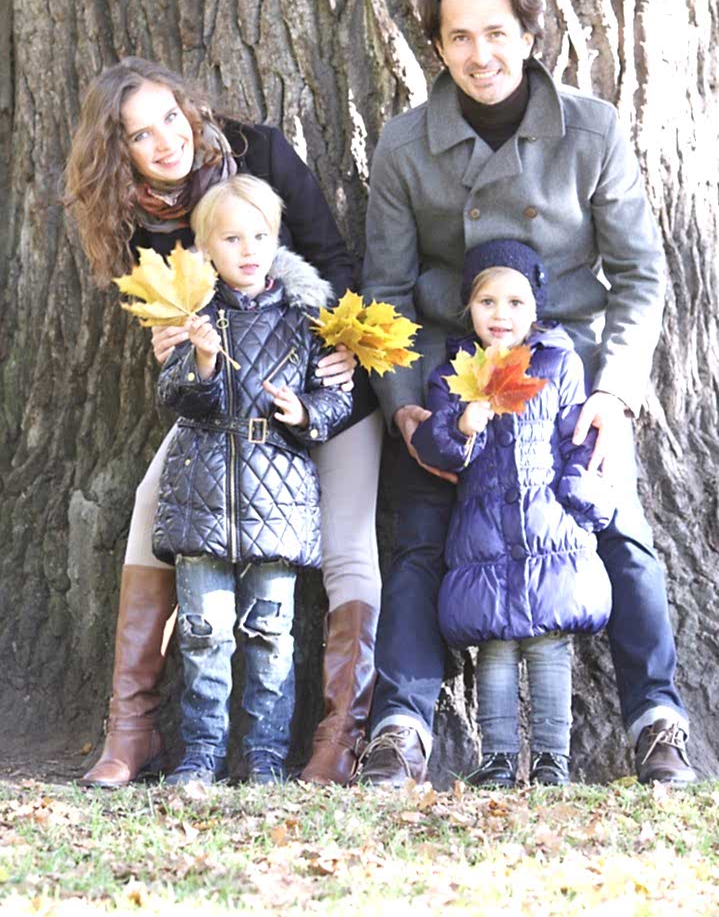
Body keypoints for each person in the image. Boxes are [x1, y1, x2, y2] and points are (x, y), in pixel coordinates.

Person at [360, 0, 696, 786]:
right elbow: (387, 289)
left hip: (566, 373)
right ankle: (398, 729)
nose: (480, 54)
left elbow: (640, 273)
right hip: (451, 376)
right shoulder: (404, 144)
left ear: (527, 34)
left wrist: (613, 392)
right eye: (459, 37)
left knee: (621, 530)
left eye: (496, 33)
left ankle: (656, 720)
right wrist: (404, 403)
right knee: (417, 539)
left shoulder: (590, 127)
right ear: (437, 46)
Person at [65, 58, 381, 788]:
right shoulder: (137, 219)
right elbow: (168, 312)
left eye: (170, 118)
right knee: (152, 507)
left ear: (188, 109)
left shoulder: (259, 151)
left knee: (348, 542)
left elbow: (331, 255)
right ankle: (133, 727)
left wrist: (343, 341)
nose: (166, 141)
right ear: (119, 152)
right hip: (224, 408)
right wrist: (171, 340)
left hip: (323, 382)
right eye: (141, 135)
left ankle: (341, 738)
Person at [151, 176, 352, 784]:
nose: (248, 250)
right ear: (206, 249)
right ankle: (202, 752)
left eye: (260, 236)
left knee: (271, 633)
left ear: (277, 239)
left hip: (278, 494)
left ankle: (266, 754)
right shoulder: (191, 315)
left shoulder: (307, 319)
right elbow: (175, 396)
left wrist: (305, 412)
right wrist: (204, 360)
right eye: (232, 239)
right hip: (204, 493)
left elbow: (336, 396)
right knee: (204, 633)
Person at [412, 239, 614, 786]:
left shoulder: (558, 362)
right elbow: (435, 447)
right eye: (487, 302)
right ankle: (499, 757)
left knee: (549, 647)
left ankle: (551, 759)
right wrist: (462, 426)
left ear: (535, 308)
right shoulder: (456, 373)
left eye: (515, 302)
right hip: (484, 536)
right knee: (495, 646)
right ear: (469, 307)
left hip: (550, 527)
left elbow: (579, 439)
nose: (500, 314)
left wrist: (584, 502)